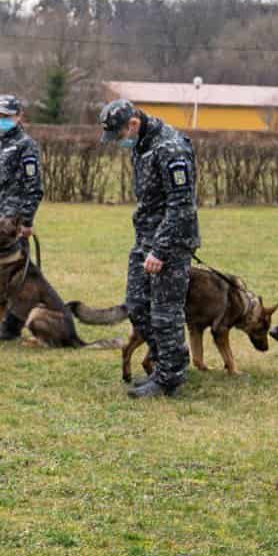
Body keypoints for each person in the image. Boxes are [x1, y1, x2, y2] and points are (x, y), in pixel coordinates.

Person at [98, 98, 200, 399]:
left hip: (170, 242)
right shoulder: (142, 144)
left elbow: (181, 206)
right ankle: (164, 361)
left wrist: (161, 250)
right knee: (137, 304)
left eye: (119, 135)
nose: (119, 142)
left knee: (165, 312)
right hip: (145, 238)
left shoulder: (171, 148)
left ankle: (169, 378)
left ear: (133, 123)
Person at [0, 95, 43, 339]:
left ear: (19, 116)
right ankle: (0, 321)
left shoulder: (27, 145)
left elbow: (34, 187)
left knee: (17, 277)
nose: (2, 120)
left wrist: (26, 222)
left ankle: (11, 325)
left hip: (14, 223)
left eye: (6, 116)